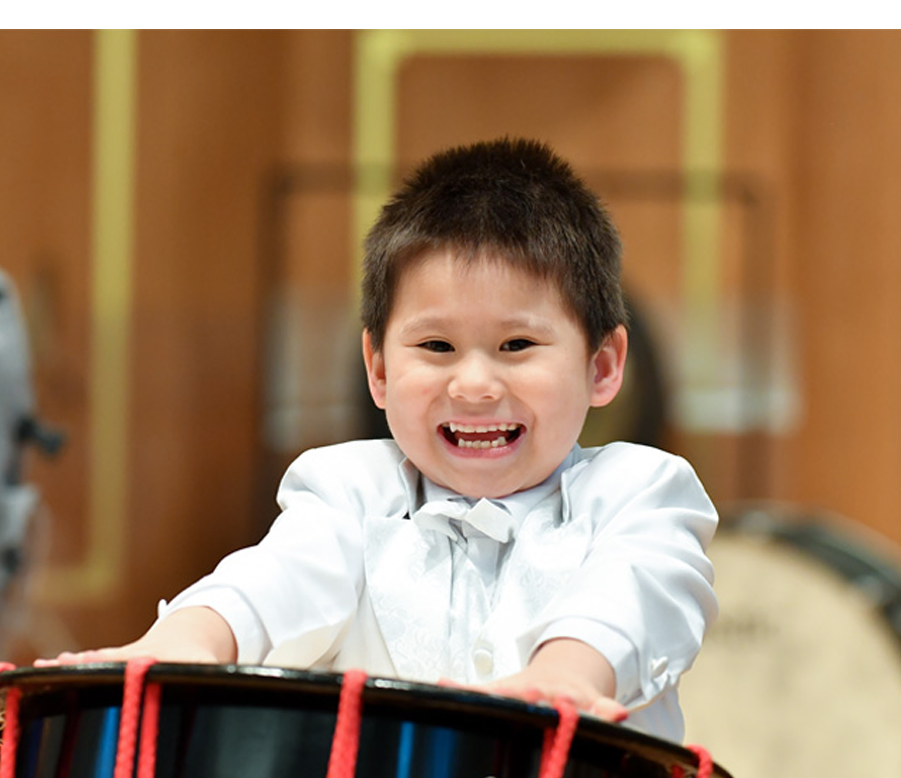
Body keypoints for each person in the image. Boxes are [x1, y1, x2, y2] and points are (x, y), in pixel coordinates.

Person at [37, 138, 717, 743]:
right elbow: (278, 579)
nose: (474, 384)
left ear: (602, 366)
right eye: (436, 346)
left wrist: (563, 677)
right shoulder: (347, 491)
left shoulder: (643, 493)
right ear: (380, 369)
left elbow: (635, 590)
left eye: (516, 344)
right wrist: (184, 642)